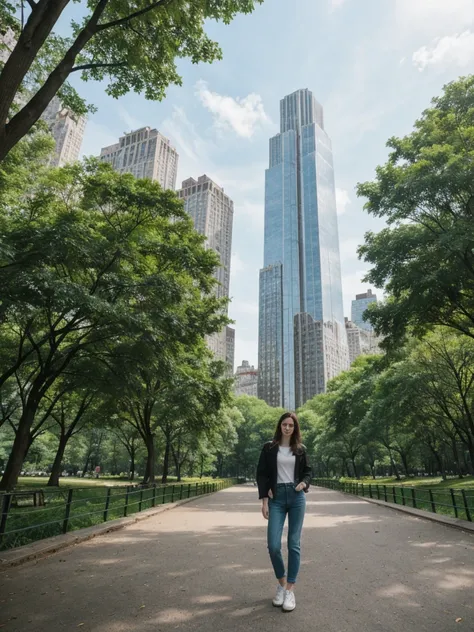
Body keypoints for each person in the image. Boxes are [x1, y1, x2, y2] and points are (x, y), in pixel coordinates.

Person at [256, 412, 312, 612]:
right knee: (273, 546)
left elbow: (308, 471)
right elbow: (262, 474)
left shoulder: (300, 450)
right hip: (276, 498)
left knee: (293, 544)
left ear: (295, 428)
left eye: (291, 425)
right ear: (279, 426)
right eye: (284, 424)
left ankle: (290, 589)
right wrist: (264, 501)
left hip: (297, 497)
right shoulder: (269, 448)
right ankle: (281, 584)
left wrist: (304, 483)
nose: (287, 428)